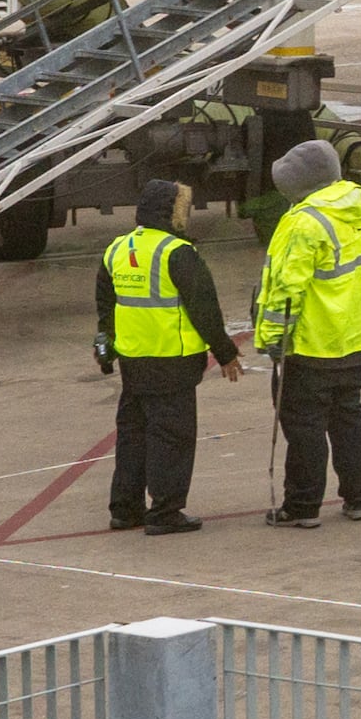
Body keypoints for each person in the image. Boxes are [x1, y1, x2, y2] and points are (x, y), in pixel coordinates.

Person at [255, 135, 361, 527]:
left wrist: (273, 337)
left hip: (313, 341)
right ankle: (359, 497)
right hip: (356, 336)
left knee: (305, 426)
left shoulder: (304, 222)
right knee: (349, 416)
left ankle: (303, 506)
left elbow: (286, 289)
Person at [95, 179, 242, 534]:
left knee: (133, 434)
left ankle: (125, 507)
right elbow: (204, 308)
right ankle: (164, 511)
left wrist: (107, 345)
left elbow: (106, 306)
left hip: (133, 360)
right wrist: (225, 352)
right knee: (172, 437)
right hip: (172, 360)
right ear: (170, 211)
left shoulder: (117, 249)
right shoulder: (177, 252)